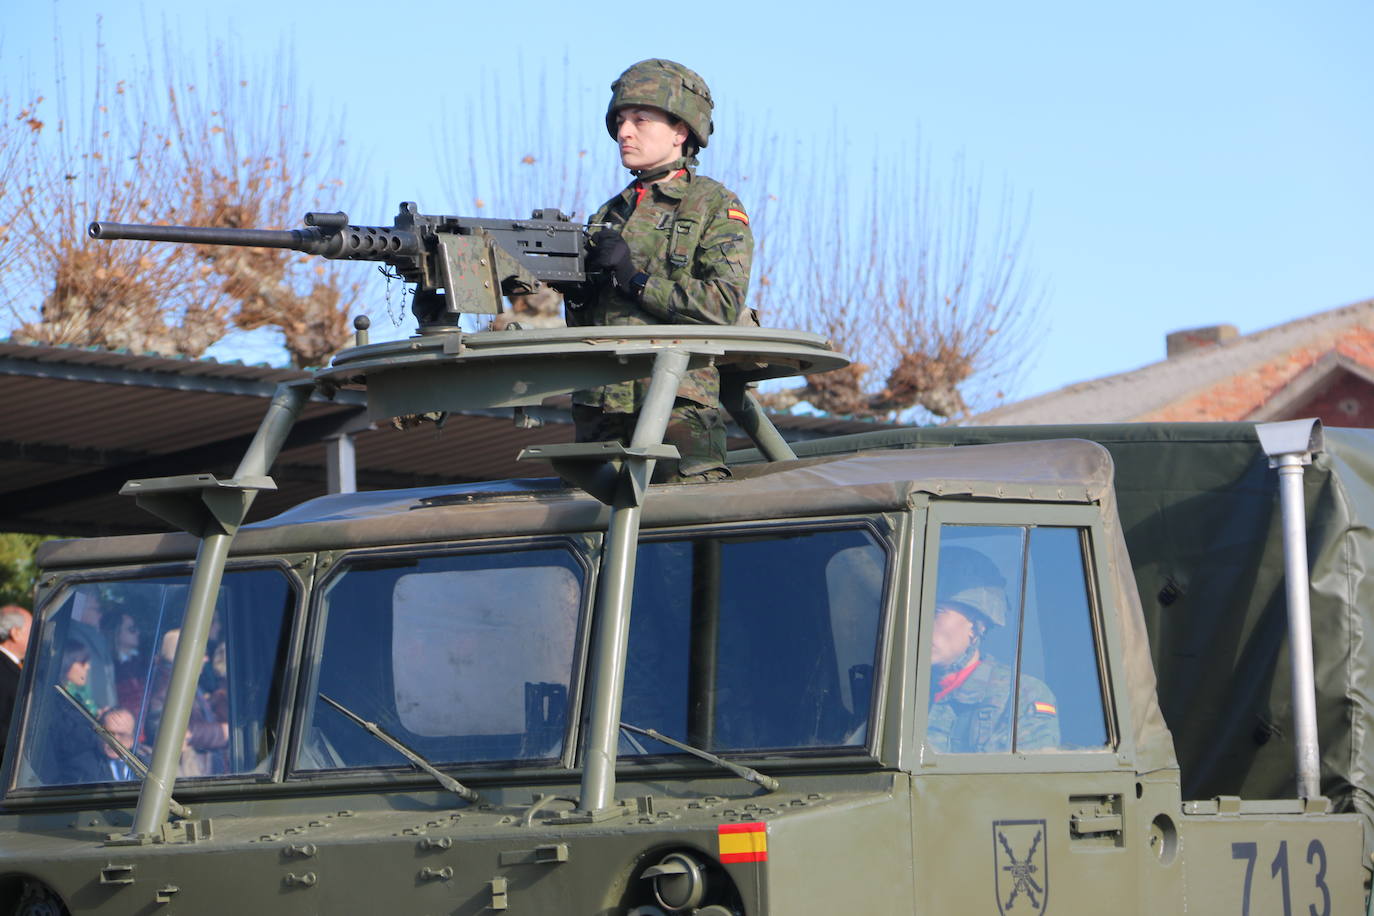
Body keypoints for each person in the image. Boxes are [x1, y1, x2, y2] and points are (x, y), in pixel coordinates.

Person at [568, 58, 755, 482]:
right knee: (587, 530)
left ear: (680, 130)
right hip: (601, 409)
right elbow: (588, 323)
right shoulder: (610, 212)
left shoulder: (712, 205)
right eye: (619, 120)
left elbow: (721, 306)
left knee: (678, 534)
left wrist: (636, 281)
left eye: (639, 119)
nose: (624, 132)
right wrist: (579, 292)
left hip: (676, 407)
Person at [926, 546, 1060, 753]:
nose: (921, 624)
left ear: (977, 625)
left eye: (936, 612)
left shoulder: (1018, 697)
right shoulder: (891, 692)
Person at [0, 605, 32, 761]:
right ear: (15, 633)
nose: (35, 635)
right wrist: (22, 742)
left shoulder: (16, 666)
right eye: (31, 630)